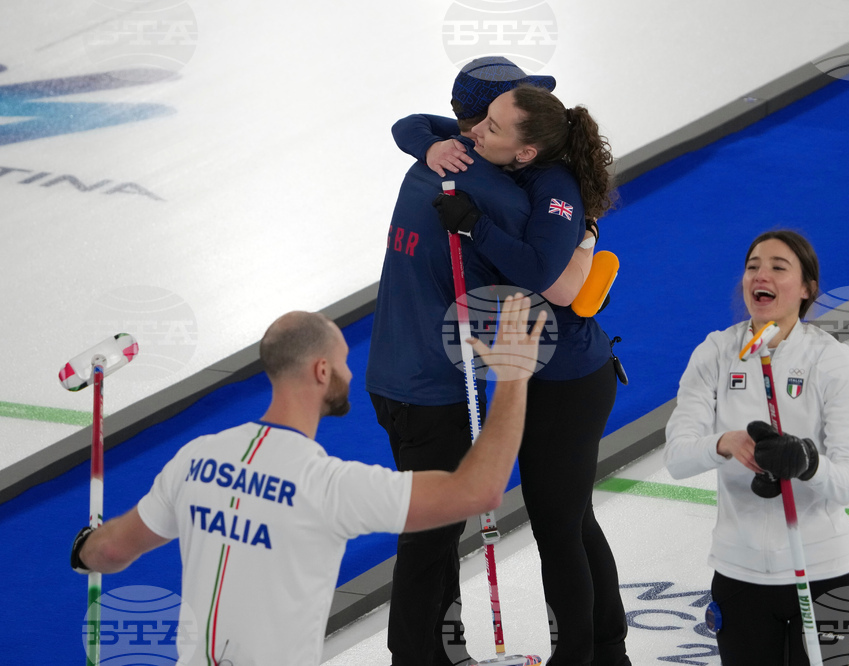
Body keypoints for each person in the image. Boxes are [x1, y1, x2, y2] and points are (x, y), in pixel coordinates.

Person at [70, 296, 546, 666]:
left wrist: (85, 546)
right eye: (342, 361)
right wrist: (513, 379)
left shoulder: (196, 459)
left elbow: (109, 551)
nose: (349, 370)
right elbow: (478, 491)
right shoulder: (328, 486)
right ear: (322, 371)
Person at [396, 84, 631, 666]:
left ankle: (581, 654)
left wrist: (477, 226)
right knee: (571, 520)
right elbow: (410, 125)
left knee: (558, 529)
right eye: (479, 122)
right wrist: (429, 149)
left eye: (490, 127)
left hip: (569, 381)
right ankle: (606, 647)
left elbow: (549, 278)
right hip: (536, 374)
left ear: (526, 148)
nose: (473, 134)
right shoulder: (510, 156)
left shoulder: (554, 187)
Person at [366, 57, 558, 666]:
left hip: (391, 376)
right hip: (438, 390)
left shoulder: (431, 163)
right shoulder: (494, 192)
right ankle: (417, 658)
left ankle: (444, 654)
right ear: (491, 122)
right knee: (430, 541)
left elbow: (411, 123)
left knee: (435, 534)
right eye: (518, 106)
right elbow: (541, 276)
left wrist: (426, 143)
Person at [662, 230, 849, 665]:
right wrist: (725, 442)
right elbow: (677, 458)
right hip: (740, 574)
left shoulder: (829, 360)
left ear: (807, 288)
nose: (762, 275)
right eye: (754, 265)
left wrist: (806, 462)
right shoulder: (717, 352)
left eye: (778, 266)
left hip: (824, 574)